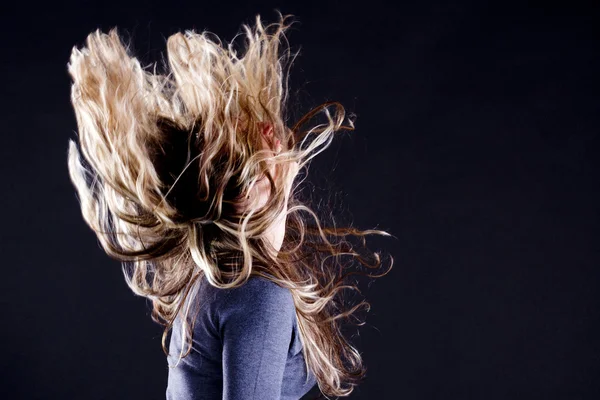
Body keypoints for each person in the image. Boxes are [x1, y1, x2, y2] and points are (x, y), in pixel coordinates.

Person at [66, 12, 393, 399]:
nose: (272, 129)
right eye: (254, 142)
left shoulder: (221, 285)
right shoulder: (258, 294)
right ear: (244, 196)